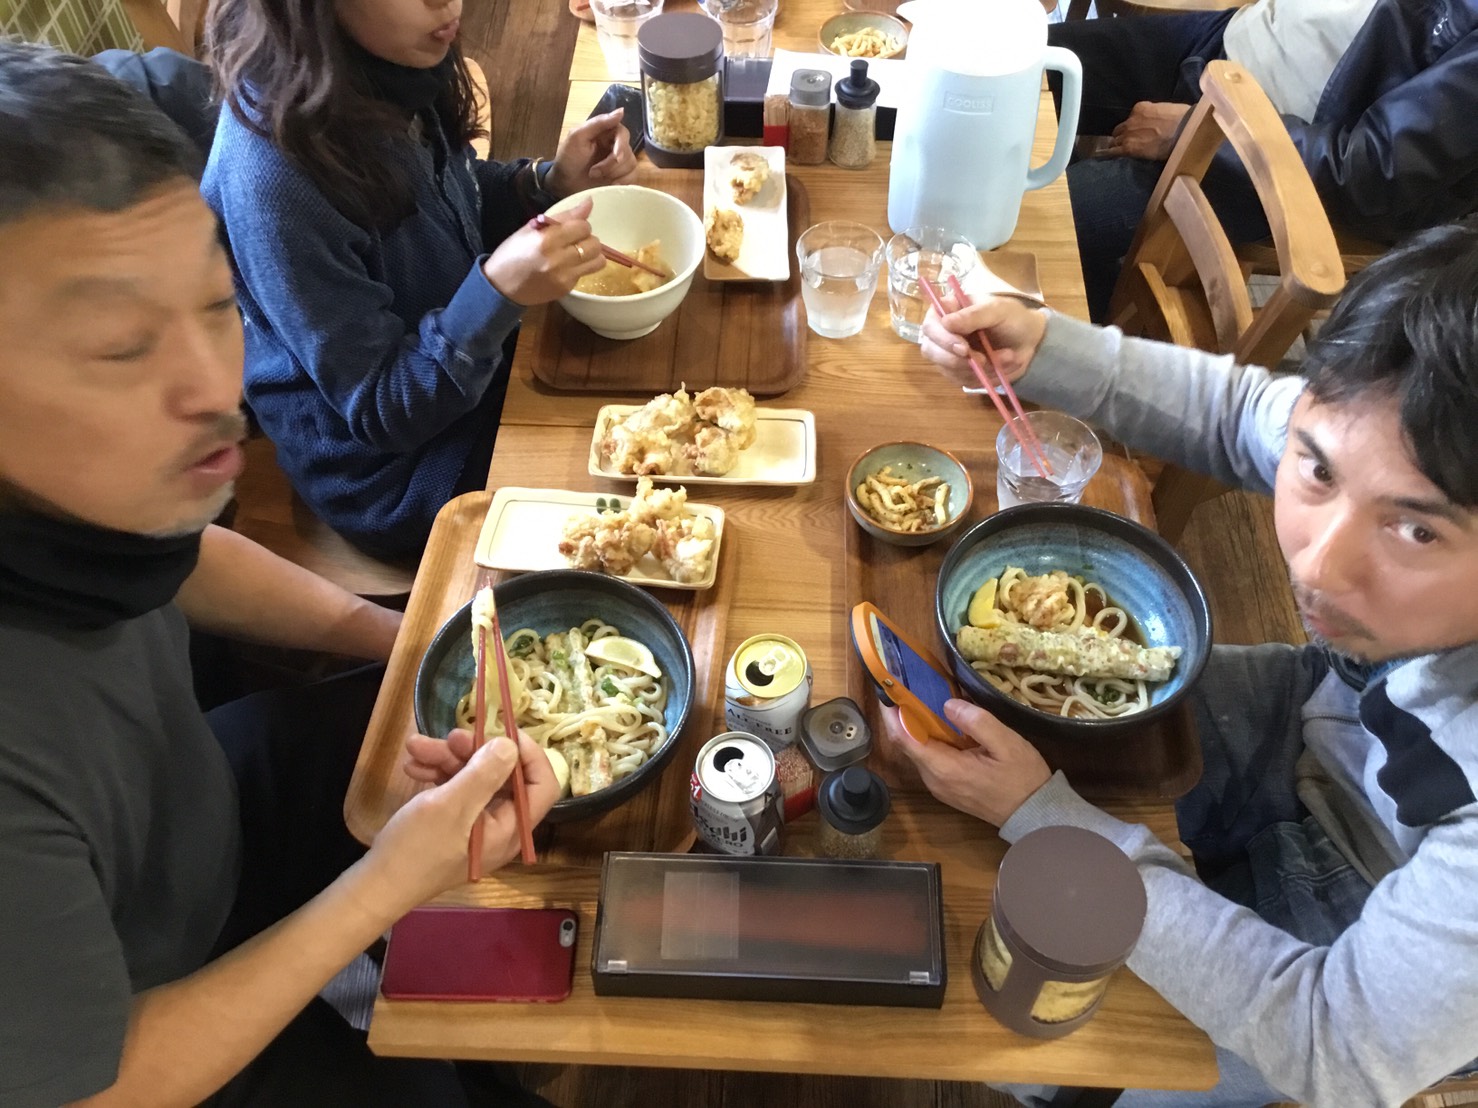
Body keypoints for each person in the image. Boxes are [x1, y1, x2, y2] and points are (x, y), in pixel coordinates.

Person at [0, 43, 562, 1107]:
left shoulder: (90, 493)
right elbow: (103, 1088)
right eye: (120, 345)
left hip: (198, 810)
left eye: (218, 305)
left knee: (506, 739)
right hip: (147, 1036)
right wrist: (382, 888)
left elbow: (187, 561)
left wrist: (402, 640)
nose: (215, 389)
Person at [913, 219, 1478, 1106]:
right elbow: (1237, 411)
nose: (1318, 568)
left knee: (1028, 1043)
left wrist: (1054, 824)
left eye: (1415, 530)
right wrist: (1045, 345)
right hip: (1315, 726)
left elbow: (1334, 1045)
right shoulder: (1387, 428)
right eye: (1320, 474)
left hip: (1363, 940)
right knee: (965, 808)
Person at [202, 0, 639, 560]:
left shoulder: (388, 57)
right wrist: (497, 292)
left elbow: (450, 197)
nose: (449, 3)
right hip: (400, 472)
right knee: (631, 486)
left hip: (470, 366)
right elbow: (382, 410)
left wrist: (543, 185)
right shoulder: (277, 178)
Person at [1049, 0, 1478, 321]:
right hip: (1230, 43)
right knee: (1026, 64)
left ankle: (1095, 310)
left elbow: (1371, 170)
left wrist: (1195, 129)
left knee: (1041, 219)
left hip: (1282, 162)